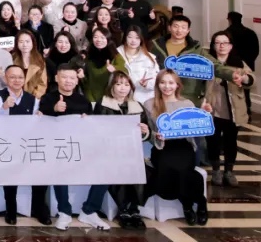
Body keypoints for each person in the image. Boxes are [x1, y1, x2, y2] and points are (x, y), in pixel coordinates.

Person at [39, 64, 110, 231]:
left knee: (106, 169)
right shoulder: (47, 99)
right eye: (64, 77)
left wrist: (88, 121)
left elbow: (93, 128)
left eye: (72, 78)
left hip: (82, 147)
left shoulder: (83, 101)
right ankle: (64, 212)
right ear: (56, 78)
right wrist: (54, 110)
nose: (68, 81)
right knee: (59, 167)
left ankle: (89, 210)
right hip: (58, 148)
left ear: (77, 80)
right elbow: (40, 123)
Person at [147, 70, 211, 225]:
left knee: (183, 170)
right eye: (163, 82)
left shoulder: (187, 104)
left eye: (171, 83)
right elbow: (149, 132)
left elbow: (196, 129)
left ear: (177, 85)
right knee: (167, 169)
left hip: (183, 146)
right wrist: (156, 136)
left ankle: (196, 204)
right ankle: (190, 203)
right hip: (162, 147)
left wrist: (203, 115)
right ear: (157, 85)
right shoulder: (149, 104)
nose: (167, 86)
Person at [0, 65, 50, 226]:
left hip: (28, 143)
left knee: (40, 174)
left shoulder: (33, 99)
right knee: (10, 177)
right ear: (6, 79)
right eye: (12, 77)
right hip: (6, 143)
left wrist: (39, 116)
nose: (17, 80)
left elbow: (36, 120)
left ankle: (39, 209)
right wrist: (4, 107)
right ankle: (11, 210)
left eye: (20, 77)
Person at [94, 71, 150, 229]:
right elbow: (95, 130)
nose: (122, 88)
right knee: (119, 166)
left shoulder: (137, 106)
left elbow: (146, 134)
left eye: (126, 84)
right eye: (118, 84)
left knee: (139, 167)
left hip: (132, 150)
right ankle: (123, 208)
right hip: (108, 151)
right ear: (111, 86)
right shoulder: (103, 104)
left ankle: (134, 208)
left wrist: (145, 131)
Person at [149, 15, 236, 107]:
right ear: (169, 28)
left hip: (188, 96)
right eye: (176, 26)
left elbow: (213, 65)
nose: (179, 30)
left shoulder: (196, 49)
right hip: (162, 94)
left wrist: (231, 74)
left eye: (183, 27)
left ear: (188, 30)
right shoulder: (156, 47)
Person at [205, 31, 255, 187]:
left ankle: (229, 171)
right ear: (213, 45)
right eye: (218, 43)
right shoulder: (207, 62)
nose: (221, 46)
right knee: (212, 141)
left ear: (230, 46)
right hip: (211, 109)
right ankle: (216, 170)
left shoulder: (238, 63)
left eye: (225, 43)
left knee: (230, 141)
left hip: (232, 110)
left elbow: (252, 79)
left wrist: (243, 78)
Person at [225, 11, 260, 120]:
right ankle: (247, 111)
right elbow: (256, 50)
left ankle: (233, 113)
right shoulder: (250, 33)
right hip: (247, 66)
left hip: (232, 66)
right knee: (246, 90)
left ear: (230, 20)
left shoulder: (227, 34)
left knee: (232, 91)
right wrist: (248, 62)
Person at [83, 28, 127, 103]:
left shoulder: (115, 55)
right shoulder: (88, 56)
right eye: (95, 37)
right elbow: (87, 80)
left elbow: (125, 71)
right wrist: (81, 76)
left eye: (102, 37)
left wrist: (115, 68)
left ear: (108, 39)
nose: (98, 40)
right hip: (91, 97)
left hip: (111, 97)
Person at [119, 27, 160, 105]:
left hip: (143, 100)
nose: (133, 40)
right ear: (125, 37)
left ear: (141, 39)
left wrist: (147, 84)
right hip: (120, 99)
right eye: (130, 37)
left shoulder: (149, 58)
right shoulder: (116, 54)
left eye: (137, 38)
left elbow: (157, 80)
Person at [11, 29, 48, 98]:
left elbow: (42, 84)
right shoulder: (11, 59)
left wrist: (32, 98)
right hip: (14, 97)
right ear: (17, 43)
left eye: (27, 41)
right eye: (21, 42)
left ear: (32, 43)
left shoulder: (39, 61)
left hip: (33, 98)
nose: (24, 45)